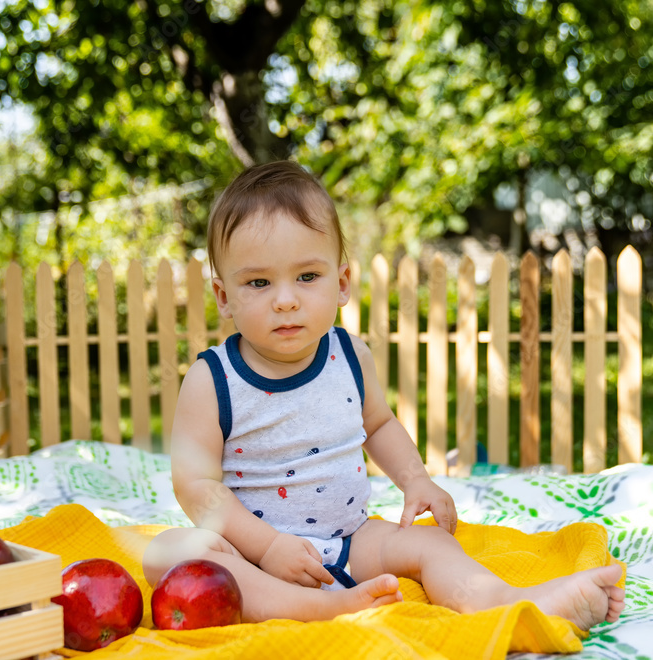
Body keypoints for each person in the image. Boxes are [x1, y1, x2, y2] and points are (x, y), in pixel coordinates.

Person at [142, 160, 625, 629]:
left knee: (432, 545)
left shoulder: (349, 356)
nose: (285, 298)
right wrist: (268, 546)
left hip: (353, 540)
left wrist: (416, 479)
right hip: (255, 555)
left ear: (342, 283)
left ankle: (510, 603)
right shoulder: (213, 380)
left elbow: (379, 425)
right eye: (259, 282)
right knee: (170, 553)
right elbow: (196, 486)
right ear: (224, 297)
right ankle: (317, 609)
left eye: (307, 276)